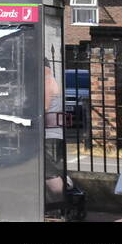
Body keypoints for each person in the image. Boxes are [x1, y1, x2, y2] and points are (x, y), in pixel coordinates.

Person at [44, 62, 66, 202]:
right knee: (51, 170)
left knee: (50, 172)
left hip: (49, 134)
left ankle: (59, 206)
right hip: (53, 134)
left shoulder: (47, 81)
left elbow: (44, 106)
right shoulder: (51, 80)